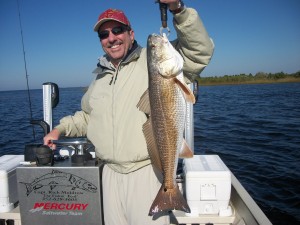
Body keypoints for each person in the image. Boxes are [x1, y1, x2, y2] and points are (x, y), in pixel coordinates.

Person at [44, 0, 214, 224]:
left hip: (145, 173)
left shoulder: (153, 60)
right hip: (109, 175)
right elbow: (87, 116)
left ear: (130, 34)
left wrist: (178, 9)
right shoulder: (100, 77)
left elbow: (199, 51)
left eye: (117, 30)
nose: (111, 38)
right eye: (104, 34)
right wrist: (59, 129)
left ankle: (170, 191)